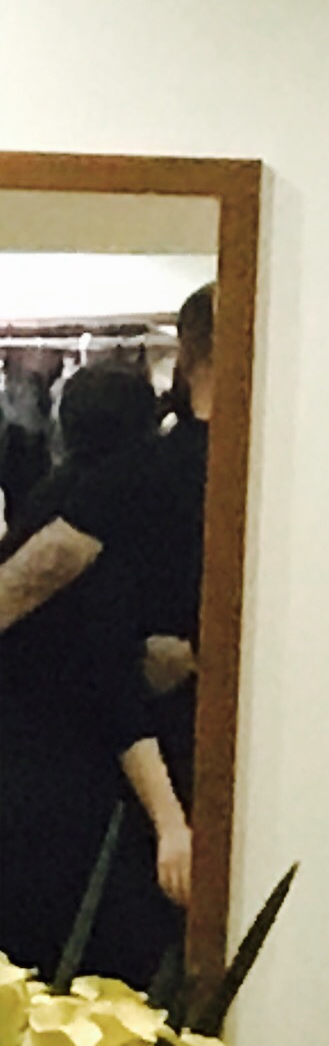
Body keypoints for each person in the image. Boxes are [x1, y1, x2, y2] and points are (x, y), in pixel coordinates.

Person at [0, 355, 188, 975]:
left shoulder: (42, 515)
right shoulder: (123, 525)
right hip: (86, 788)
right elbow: (112, 679)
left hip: (23, 774)